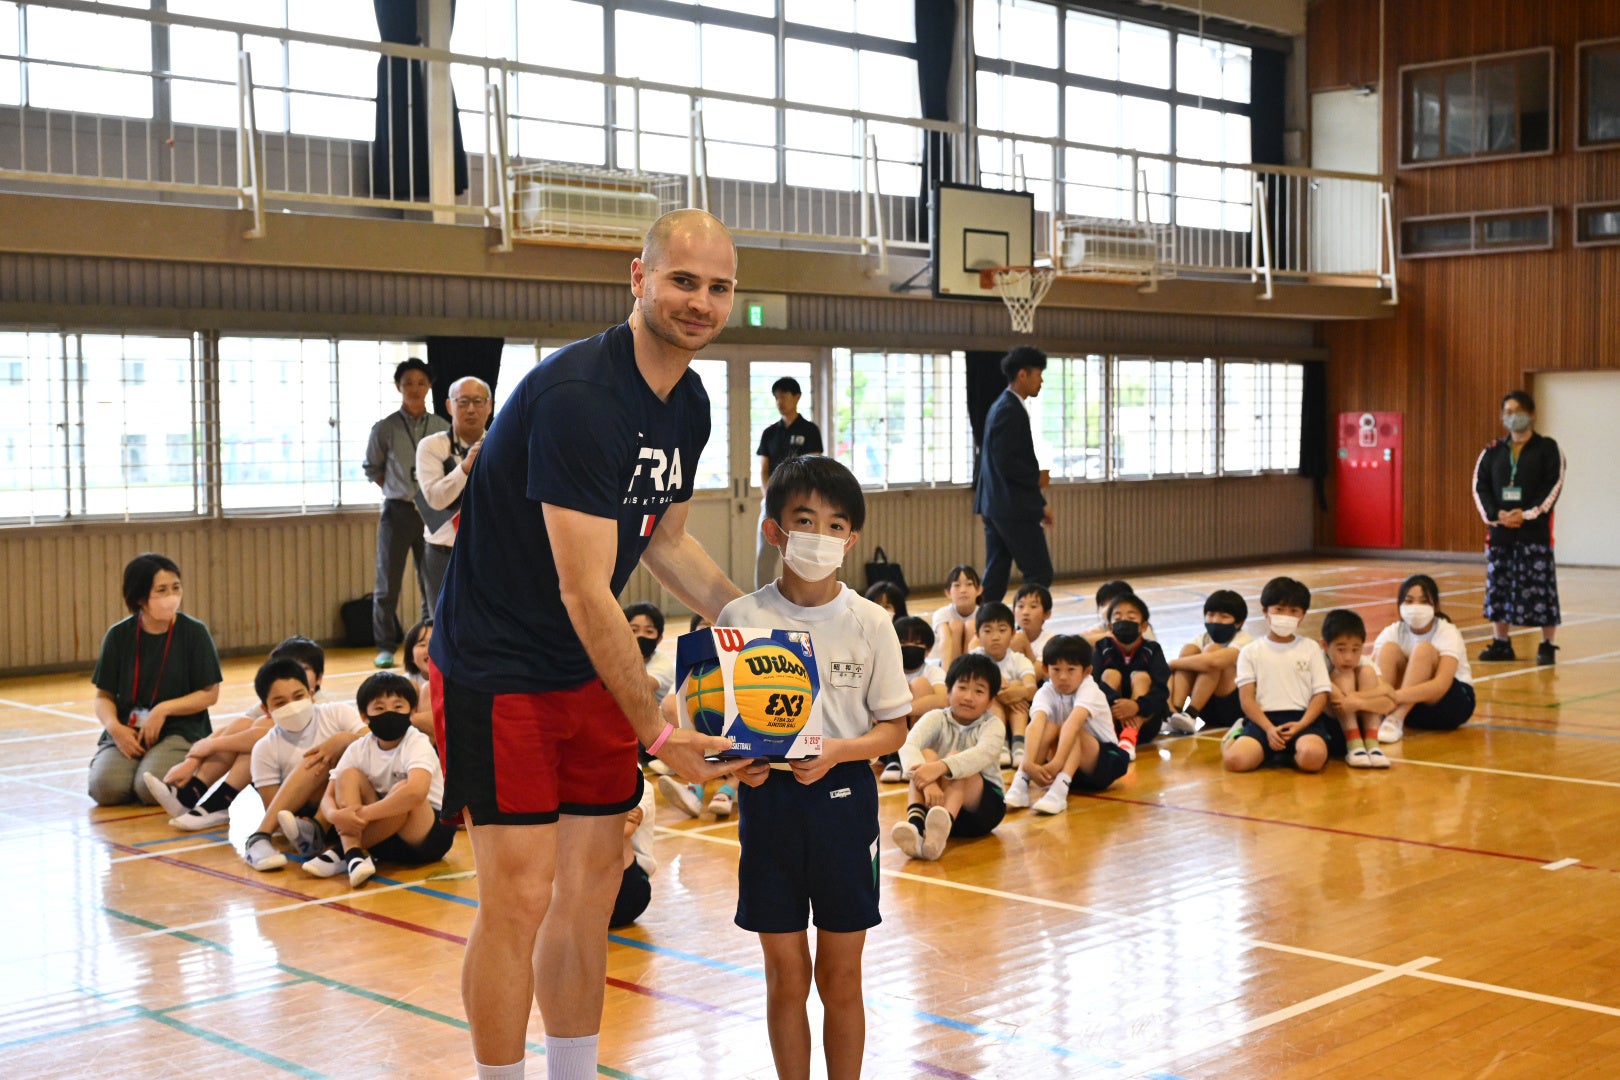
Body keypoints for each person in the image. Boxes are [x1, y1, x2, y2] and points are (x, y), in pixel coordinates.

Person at [428, 209, 740, 1080]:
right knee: (520, 897)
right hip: (500, 668)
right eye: (682, 281)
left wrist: (754, 614)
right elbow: (583, 586)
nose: (700, 302)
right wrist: (662, 733)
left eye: (718, 288)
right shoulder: (578, 400)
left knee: (593, 888)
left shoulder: (691, 402)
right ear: (637, 277)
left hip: (585, 662)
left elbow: (668, 541)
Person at [723, 454, 911, 1080]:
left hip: (844, 804)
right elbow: (723, 730)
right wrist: (737, 764)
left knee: (841, 978)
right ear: (774, 530)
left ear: (851, 538)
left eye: (835, 525)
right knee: (784, 979)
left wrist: (836, 751)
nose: (821, 536)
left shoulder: (871, 623)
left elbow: (892, 730)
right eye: (805, 519)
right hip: (768, 808)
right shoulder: (740, 620)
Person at [89, 553, 223, 807]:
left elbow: (210, 693)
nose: (171, 596)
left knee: (149, 790)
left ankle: (180, 763)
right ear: (140, 598)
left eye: (175, 588)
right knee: (106, 789)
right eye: (161, 590)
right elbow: (103, 696)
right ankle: (122, 764)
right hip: (130, 728)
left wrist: (164, 709)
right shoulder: (118, 635)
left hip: (180, 729)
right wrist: (116, 730)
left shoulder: (194, 633)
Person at [304, 672, 456, 887]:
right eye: (379, 708)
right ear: (364, 716)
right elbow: (329, 795)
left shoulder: (417, 742)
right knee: (348, 775)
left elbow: (416, 792)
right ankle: (355, 856)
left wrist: (360, 815)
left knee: (403, 790)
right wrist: (336, 815)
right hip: (382, 834)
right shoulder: (359, 748)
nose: (390, 714)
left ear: (412, 711)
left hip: (427, 836)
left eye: (398, 707)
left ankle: (344, 852)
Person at [241, 656, 367, 871]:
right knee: (320, 758)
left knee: (339, 753)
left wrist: (342, 739)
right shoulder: (264, 748)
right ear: (265, 709)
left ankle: (275, 834)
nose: (292, 707)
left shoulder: (337, 713)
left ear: (311, 694)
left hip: (354, 802)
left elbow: (375, 743)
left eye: (298, 696)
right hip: (299, 817)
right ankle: (263, 838)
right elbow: (276, 811)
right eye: (280, 703)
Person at [364, 357, 449, 669]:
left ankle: (432, 639)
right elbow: (372, 468)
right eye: (408, 382)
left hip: (433, 510)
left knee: (432, 579)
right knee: (388, 581)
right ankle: (385, 646)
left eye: (421, 382)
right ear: (398, 386)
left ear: (429, 386)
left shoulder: (442, 426)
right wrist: (397, 490)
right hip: (397, 510)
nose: (415, 388)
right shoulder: (385, 427)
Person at [1473, 389, 1566, 665]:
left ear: (1532, 414)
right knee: (1498, 588)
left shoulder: (1548, 448)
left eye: (1518, 411)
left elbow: (1553, 487)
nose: (1513, 417)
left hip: (1534, 535)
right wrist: (1495, 515)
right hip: (1500, 534)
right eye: (1508, 412)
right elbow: (1480, 487)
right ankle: (1501, 643)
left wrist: (1526, 515)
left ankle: (1547, 645)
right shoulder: (1491, 452)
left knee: (1542, 590)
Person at [891, 653, 1007, 861]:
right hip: (935, 801)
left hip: (982, 811)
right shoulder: (936, 717)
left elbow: (979, 756)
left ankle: (941, 830)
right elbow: (907, 744)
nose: (968, 697)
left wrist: (940, 768)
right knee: (925, 755)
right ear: (948, 691)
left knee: (957, 759)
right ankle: (917, 829)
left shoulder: (994, 725)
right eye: (962, 688)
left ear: (990, 701)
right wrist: (927, 783)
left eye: (978, 691)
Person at [1223, 577, 1337, 774]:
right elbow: (1247, 699)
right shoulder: (1251, 651)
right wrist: (1268, 729)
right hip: (1263, 720)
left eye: (1294, 611)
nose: (1286, 616)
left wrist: (1301, 724)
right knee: (1236, 761)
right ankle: (1240, 736)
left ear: (1302, 615)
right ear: (1265, 611)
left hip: (1302, 720)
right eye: (1279, 609)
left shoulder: (1311, 648)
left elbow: (1320, 694)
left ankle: (1284, 752)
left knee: (1313, 759)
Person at [1005, 635, 1128, 814]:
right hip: (1073, 765)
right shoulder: (1046, 691)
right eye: (1056, 670)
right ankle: (1020, 783)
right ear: (1045, 670)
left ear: (1086, 671)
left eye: (1071, 670)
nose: (1063, 677)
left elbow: (1073, 724)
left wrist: (1057, 763)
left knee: (1070, 728)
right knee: (1048, 726)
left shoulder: (1089, 689)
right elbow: (1035, 725)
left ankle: (1059, 792)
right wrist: (1029, 764)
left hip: (1107, 761)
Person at [973, 346, 1054, 604]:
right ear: (1022, 374)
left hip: (996, 506)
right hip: (1012, 509)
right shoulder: (1009, 409)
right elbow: (1008, 463)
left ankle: (986, 629)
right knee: (1040, 572)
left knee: (995, 577)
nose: (1040, 380)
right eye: (1038, 375)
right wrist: (1037, 481)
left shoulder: (1003, 406)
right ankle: (1024, 625)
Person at [1372, 574, 1477, 744]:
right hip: (1413, 708)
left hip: (1448, 705)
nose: (1415, 607)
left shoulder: (1447, 631)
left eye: (1423, 601)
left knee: (1424, 650)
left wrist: (1392, 696)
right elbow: (1371, 674)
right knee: (1388, 649)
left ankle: (1396, 718)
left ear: (1435, 606)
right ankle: (1376, 719)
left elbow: (1440, 686)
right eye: (1409, 601)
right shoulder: (1392, 632)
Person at [416, 375, 492, 604]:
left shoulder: (500, 445)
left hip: (488, 551)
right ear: (449, 405)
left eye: (478, 401)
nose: (471, 409)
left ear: (490, 406)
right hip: (443, 551)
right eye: (463, 402)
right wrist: (465, 469)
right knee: (441, 626)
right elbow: (435, 500)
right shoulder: (431, 446)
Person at [754, 375, 824, 589]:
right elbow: (763, 470)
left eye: (784, 396)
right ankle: (761, 599)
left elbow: (815, 467)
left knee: (802, 551)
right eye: (776, 397)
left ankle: (805, 594)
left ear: (797, 397)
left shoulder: (809, 430)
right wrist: (768, 495)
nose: (780, 402)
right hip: (773, 501)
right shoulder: (770, 433)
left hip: (802, 503)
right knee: (765, 553)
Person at [1091, 592, 1169, 761]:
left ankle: (1128, 737)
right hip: (1110, 719)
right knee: (1110, 674)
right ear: (1110, 627)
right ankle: (1111, 738)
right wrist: (1119, 705)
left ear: (1143, 626)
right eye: (1118, 618)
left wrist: (1136, 706)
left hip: (1145, 723)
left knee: (1142, 677)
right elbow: (1093, 683)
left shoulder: (1153, 650)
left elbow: (1161, 690)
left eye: (1131, 617)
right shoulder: (1102, 647)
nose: (1124, 621)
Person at [1165, 589, 1252, 734]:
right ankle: (1175, 713)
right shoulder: (1203, 637)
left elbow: (1213, 662)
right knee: (1188, 651)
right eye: (1210, 615)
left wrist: (1171, 663)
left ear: (1238, 623)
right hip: (1207, 707)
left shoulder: (1244, 640)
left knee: (1212, 651)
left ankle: (1191, 713)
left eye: (1224, 617)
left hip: (1231, 708)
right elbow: (1186, 660)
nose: (1216, 621)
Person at [1321, 609, 1395, 768]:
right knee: (1343, 675)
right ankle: (1353, 743)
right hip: (1333, 726)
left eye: (1356, 649)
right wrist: (1350, 698)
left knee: (1367, 673)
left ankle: (1372, 744)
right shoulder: (1318, 661)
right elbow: (1337, 698)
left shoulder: (1365, 663)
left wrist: (1359, 701)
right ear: (1325, 645)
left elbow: (1390, 701)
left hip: (1362, 723)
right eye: (1341, 649)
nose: (1349, 657)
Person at [879, 616, 948, 783]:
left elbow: (943, 699)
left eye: (917, 643)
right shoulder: (885, 669)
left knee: (920, 684)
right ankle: (894, 756)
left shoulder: (932, 671)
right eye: (903, 642)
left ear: (929, 649)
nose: (910, 647)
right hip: (887, 734)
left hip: (920, 732)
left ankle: (910, 753)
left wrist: (901, 709)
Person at [971, 601, 1037, 768]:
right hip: (983, 717)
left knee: (1016, 685)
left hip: (1015, 714)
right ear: (977, 635)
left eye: (1002, 630)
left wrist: (1017, 692)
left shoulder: (1019, 660)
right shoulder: (974, 659)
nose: (995, 637)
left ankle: (1018, 746)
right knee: (992, 693)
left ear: (1013, 633)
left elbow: (1031, 688)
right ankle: (1000, 745)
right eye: (987, 631)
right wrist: (1002, 690)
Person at [609, 778, 658, 928]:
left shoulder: (639, 782)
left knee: (615, 836)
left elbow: (623, 832)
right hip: (590, 879)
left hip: (630, 889)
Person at [931, 564, 982, 667]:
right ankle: (951, 675)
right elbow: (945, 640)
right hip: (948, 663)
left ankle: (970, 671)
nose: (963, 590)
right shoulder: (942, 614)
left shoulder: (984, 613)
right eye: (957, 585)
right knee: (955, 625)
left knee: (971, 625)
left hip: (978, 663)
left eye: (969, 584)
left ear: (979, 590)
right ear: (948, 592)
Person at [1082, 579, 1157, 644]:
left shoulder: (1139, 628)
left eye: (1111, 603)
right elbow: (1083, 639)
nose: (1106, 609)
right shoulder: (1105, 625)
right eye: (1102, 605)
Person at [1011, 582, 1054, 682]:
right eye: (1020, 606)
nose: (1025, 612)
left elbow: (1036, 674)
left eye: (1033, 606)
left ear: (1047, 614)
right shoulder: (1010, 637)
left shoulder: (1049, 641)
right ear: (1013, 612)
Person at [402, 618, 436, 735]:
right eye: (422, 644)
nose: (429, 650)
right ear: (410, 655)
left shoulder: (460, 680)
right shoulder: (407, 682)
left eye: (435, 643)